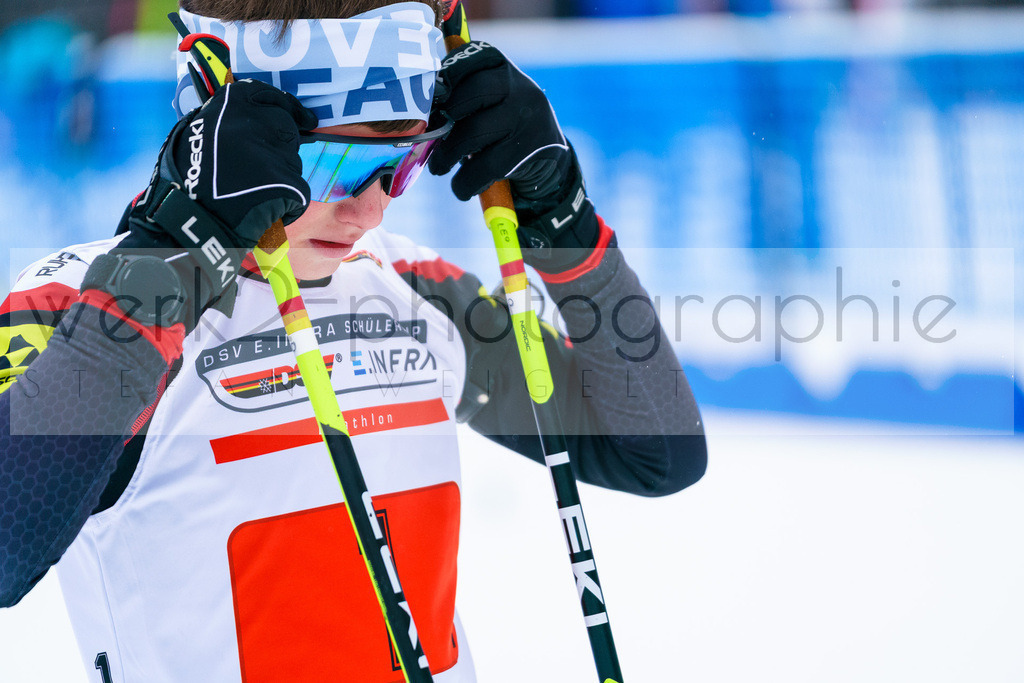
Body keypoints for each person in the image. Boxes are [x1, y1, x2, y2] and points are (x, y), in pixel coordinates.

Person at [0, 0, 707, 680]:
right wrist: (170, 249)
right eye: (332, 166)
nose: (369, 209)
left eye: (396, 165)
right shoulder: (72, 300)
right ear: (220, 130)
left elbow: (657, 450)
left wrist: (563, 216)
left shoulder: (410, 285)